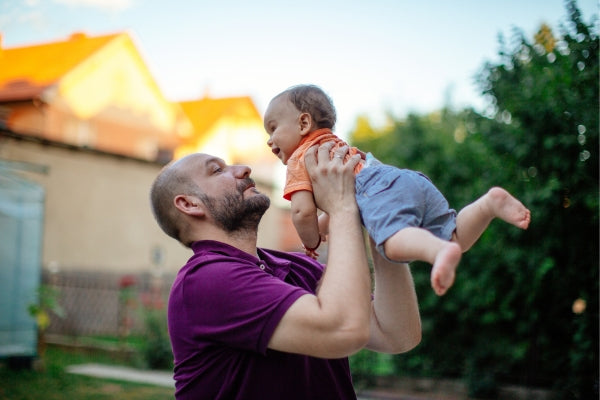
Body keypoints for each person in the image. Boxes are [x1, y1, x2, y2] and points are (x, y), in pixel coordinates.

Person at [149, 143, 422, 400]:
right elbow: (343, 330)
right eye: (217, 170)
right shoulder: (206, 279)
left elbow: (397, 334)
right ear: (190, 204)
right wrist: (340, 205)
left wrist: (381, 218)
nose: (243, 169)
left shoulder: (296, 266)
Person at [264, 84, 531, 296]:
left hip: (377, 190)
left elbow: (301, 212)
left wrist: (310, 242)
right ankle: (488, 205)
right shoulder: (335, 148)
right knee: (455, 239)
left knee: (391, 246)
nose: (269, 140)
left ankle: (437, 251)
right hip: (402, 179)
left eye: (273, 128)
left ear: (303, 124)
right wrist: (323, 229)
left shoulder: (301, 159)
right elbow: (343, 205)